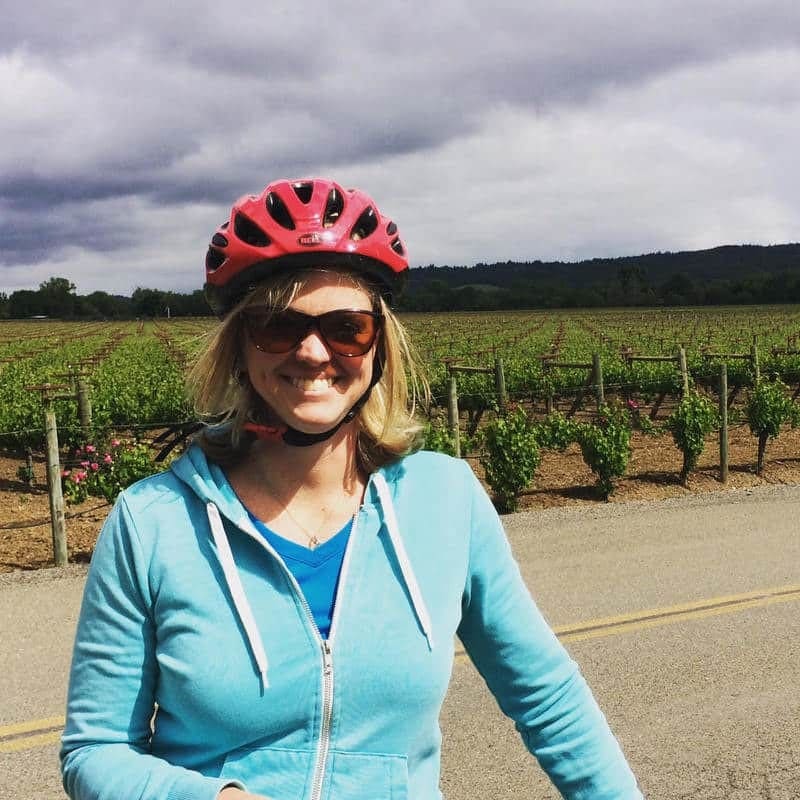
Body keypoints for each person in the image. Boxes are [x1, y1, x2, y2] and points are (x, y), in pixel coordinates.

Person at [61, 177, 643, 800]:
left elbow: (546, 696)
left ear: (380, 346)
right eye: (278, 326)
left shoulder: (445, 499)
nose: (313, 352)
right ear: (239, 344)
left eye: (346, 327)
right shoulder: (152, 522)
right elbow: (95, 751)